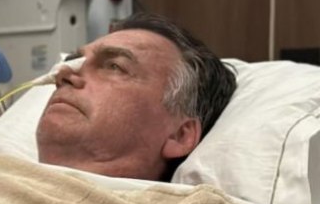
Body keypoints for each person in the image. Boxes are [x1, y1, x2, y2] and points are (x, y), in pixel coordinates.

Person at [36, 13, 237, 181]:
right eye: (74, 62)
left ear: (180, 136)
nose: (63, 74)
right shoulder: (15, 183)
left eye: (114, 66)